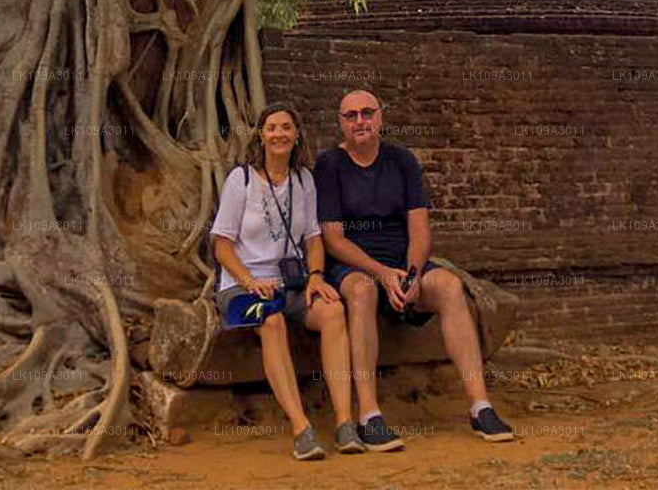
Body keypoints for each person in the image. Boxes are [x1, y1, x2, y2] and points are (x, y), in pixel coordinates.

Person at [315, 89, 515, 450]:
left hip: (404, 261)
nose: (360, 121)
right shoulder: (330, 165)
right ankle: (369, 416)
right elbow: (333, 239)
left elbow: (420, 229)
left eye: (367, 113)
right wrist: (381, 273)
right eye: (351, 116)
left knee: (450, 286)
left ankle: (480, 406)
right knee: (361, 291)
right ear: (341, 123)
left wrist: (411, 274)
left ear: (380, 117)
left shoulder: (402, 161)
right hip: (355, 264)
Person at [210, 103, 365, 460]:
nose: (278, 134)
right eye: (271, 128)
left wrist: (316, 277)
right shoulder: (241, 180)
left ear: (296, 136)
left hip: (290, 283)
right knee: (272, 320)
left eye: (285, 128)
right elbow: (222, 245)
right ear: (261, 136)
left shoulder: (303, 180)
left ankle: (344, 423)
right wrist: (250, 282)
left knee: (332, 311)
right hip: (241, 286)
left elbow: (314, 239)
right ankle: (301, 428)